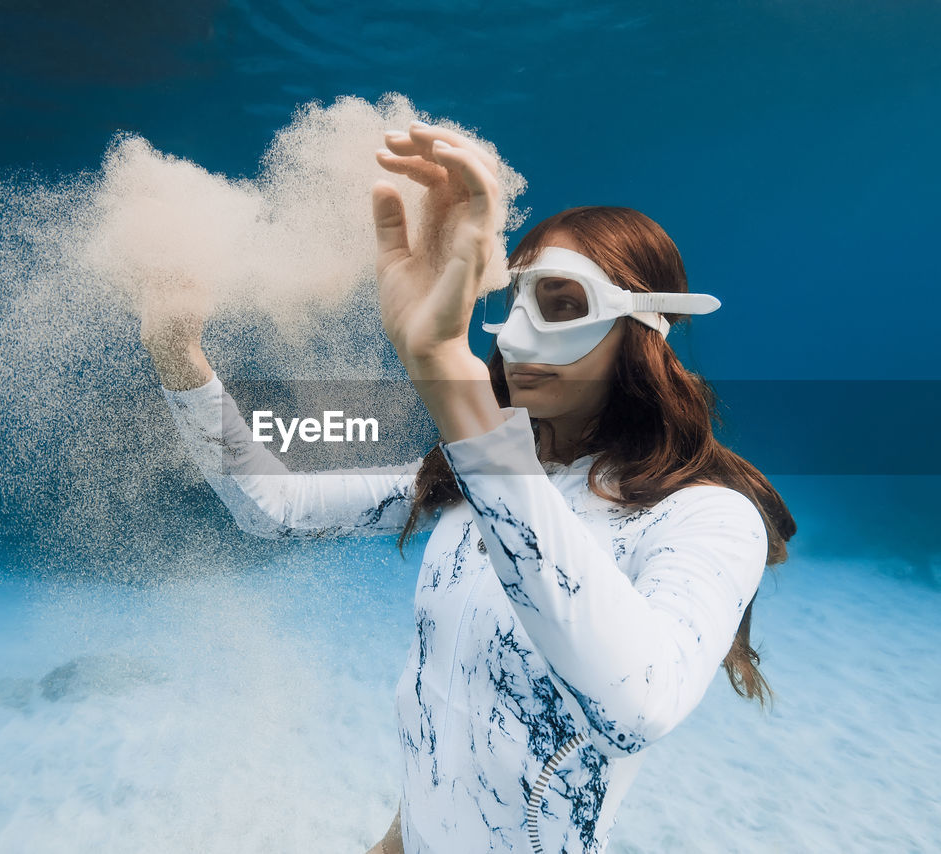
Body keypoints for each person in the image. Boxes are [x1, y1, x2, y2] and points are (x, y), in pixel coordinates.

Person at [141, 121, 796, 853]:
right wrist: (178, 356)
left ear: (649, 329)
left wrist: (442, 366)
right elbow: (274, 510)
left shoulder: (707, 518)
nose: (512, 340)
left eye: (562, 303)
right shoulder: (470, 485)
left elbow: (638, 707)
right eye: (510, 302)